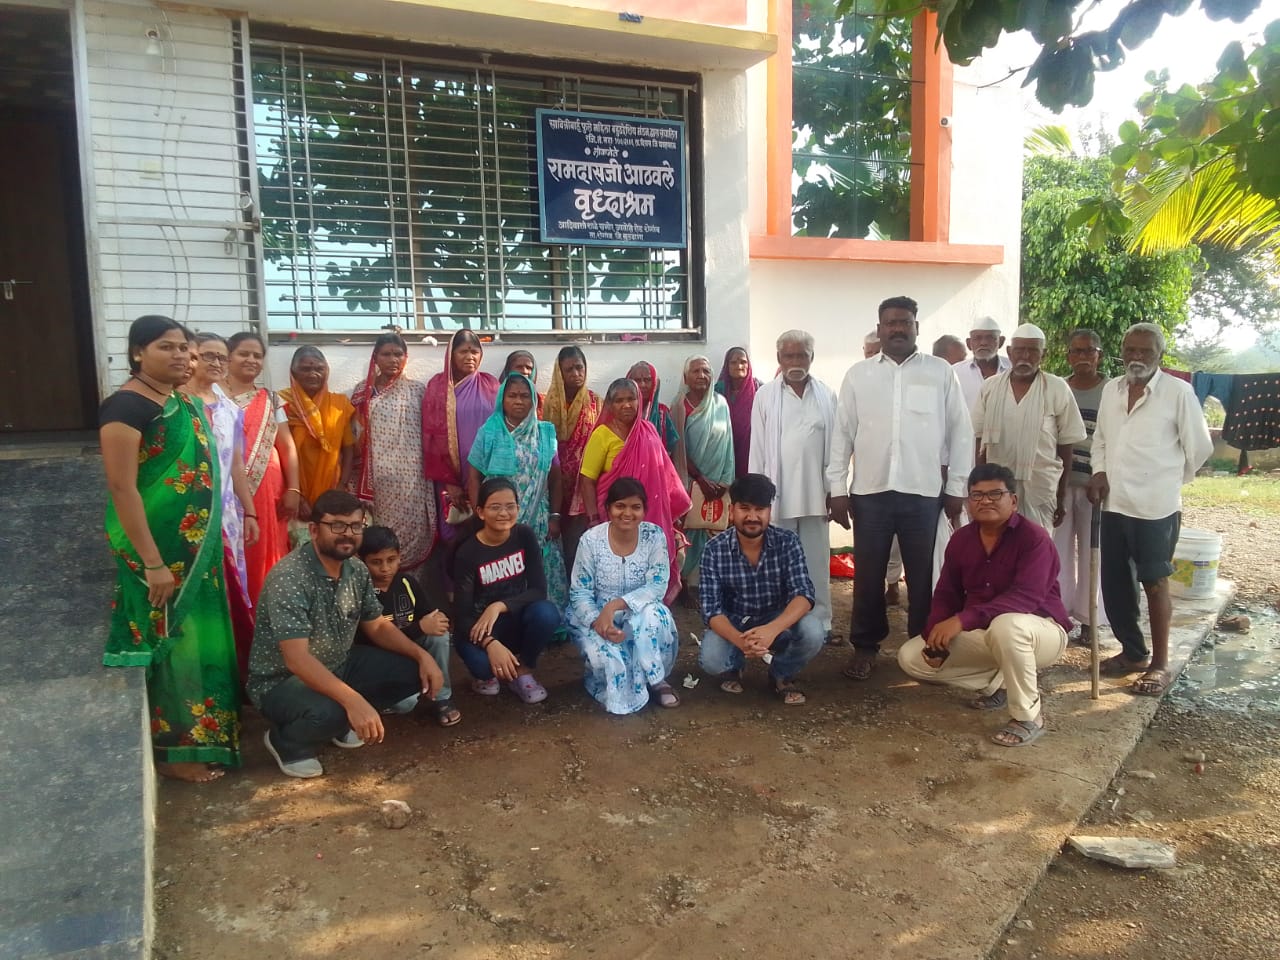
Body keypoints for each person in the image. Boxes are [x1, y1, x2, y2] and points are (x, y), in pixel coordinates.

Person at [100, 315, 242, 782]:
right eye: (167, 347)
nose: (181, 355)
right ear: (137, 352)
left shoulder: (184, 402)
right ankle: (175, 753)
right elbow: (122, 488)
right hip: (158, 554)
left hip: (197, 549)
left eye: (184, 347)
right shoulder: (126, 407)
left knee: (203, 642)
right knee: (172, 644)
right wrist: (153, 562)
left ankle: (208, 738)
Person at [247, 490, 445, 779]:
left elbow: (377, 625)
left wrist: (422, 655)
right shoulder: (289, 578)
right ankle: (287, 742)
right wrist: (353, 701)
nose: (348, 534)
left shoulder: (356, 569)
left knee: (416, 672)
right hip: (281, 681)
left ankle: (339, 723)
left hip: (339, 663)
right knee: (335, 709)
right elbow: (297, 660)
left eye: (355, 526)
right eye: (337, 525)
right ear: (314, 530)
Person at [828, 296, 974, 680]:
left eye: (904, 322)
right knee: (868, 575)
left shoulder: (940, 372)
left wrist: (957, 486)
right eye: (890, 323)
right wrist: (837, 487)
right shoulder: (858, 375)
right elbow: (842, 434)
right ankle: (865, 646)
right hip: (870, 492)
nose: (897, 328)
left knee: (924, 577)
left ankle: (923, 645)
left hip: (923, 492)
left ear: (916, 327)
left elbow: (961, 431)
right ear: (879, 329)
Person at [897, 464, 1071, 747]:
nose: (986, 501)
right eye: (977, 495)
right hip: (986, 632)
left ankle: (1028, 717)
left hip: (1040, 631)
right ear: (968, 502)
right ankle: (1000, 683)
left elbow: (1025, 598)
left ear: (1013, 500)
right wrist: (935, 636)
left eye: (995, 494)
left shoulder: (1035, 539)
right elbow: (946, 594)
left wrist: (962, 620)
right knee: (911, 657)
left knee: (1007, 624)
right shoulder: (961, 539)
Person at [1088, 323, 1213, 697]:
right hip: (1114, 503)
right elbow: (1101, 439)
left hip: (1156, 508)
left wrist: (1169, 481)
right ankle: (1133, 653)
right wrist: (1099, 471)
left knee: (1155, 582)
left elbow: (1199, 448)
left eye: (1145, 351)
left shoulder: (1178, 392)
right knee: (1115, 582)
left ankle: (1159, 665)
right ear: (1122, 351)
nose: (1137, 357)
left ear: (1160, 355)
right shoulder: (1112, 389)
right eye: (1130, 350)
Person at [698, 473, 824, 705]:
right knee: (712, 660)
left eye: (760, 509)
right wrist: (740, 640)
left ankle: (781, 673)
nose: (752, 517)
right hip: (734, 620)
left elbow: (804, 594)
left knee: (814, 631)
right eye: (745, 508)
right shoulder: (714, 549)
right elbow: (711, 610)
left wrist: (771, 630)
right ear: (732, 510)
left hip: (776, 619)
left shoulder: (787, 541)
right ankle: (735, 667)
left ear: (769, 512)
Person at [748, 330, 839, 641]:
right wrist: (757, 498)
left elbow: (837, 447)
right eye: (789, 356)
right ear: (779, 358)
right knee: (778, 562)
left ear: (812, 358)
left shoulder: (827, 395)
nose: (796, 361)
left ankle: (820, 623)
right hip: (779, 494)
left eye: (802, 355)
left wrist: (836, 489)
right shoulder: (765, 396)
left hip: (817, 493)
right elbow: (757, 448)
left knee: (817, 562)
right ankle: (781, 623)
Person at [181, 332, 260, 678]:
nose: (216, 363)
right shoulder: (175, 405)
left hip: (226, 518)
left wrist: (250, 511)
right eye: (207, 356)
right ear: (192, 358)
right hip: (185, 519)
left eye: (221, 357)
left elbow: (237, 465)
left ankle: (230, 671)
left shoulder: (229, 409)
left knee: (229, 592)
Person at [568, 477, 681, 714]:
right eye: (620, 506)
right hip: (598, 614)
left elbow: (657, 585)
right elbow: (580, 592)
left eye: (635, 507)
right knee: (606, 662)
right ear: (608, 508)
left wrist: (615, 606)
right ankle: (609, 680)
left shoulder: (654, 536)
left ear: (644, 510)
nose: (627, 513)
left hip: (639, 611)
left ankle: (657, 680)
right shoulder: (591, 540)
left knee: (653, 616)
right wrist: (598, 621)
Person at [579, 378, 691, 604]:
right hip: (614, 515)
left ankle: (648, 606)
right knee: (617, 567)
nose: (626, 405)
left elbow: (663, 474)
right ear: (610, 405)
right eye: (619, 400)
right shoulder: (602, 435)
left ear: (639, 401)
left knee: (649, 564)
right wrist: (593, 519)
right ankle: (614, 607)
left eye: (631, 399)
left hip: (649, 515)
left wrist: (669, 511)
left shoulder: (648, 431)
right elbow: (587, 480)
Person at [450, 478, 561, 702]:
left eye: (510, 506)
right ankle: (486, 676)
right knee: (484, 666)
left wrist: (498, 606)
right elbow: (461, 617)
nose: (503, 513)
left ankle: (523, 671)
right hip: (479, 629)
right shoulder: (468, 553)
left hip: (515, 619)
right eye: (495, 507)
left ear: (518, 509)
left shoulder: (524, 535)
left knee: (547, 613)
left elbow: (539, 590)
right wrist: (490, 643)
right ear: (480, 512)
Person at [467, 372, 569, 610]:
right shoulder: (488, 432)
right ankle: (500, 616)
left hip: (538, 519)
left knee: (539, 570)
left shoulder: (545, 432)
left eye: (525, 396)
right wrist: (481, 515)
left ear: (533, 400)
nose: (518, 401)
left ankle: (543, 618)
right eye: (512, 396)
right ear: (502, 399)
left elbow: (555, 479)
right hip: (498, 518)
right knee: (502, 569)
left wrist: (555, 516)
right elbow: (473, 477)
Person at [972, 322, 1087, 531]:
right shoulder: (990, 387)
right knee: (998, 545)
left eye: (1033, 350)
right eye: (1019, 350)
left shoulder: (1057, 388)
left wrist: (1061, 496)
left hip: (1040, 490)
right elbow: (980, 442)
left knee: (1037, 546)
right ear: (1009, 352)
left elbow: (1066, 445)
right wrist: (979, 490)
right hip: (997, 490)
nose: (1025, 356)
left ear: (1044, 354)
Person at [225, 332, 302, 604]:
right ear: (228, 357)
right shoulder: (212, 397)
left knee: (267, 552)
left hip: (269, 490)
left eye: (257, 356)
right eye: (243, 353)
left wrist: (294, 488)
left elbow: (287, 445)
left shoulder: (270, 399)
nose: (251, 360)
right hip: (226, 489)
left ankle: (267, 614)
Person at [357, 525, 460, 727]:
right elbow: (369, 640)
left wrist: (437, 620)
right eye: (376, 562)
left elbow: (429, 616)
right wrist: (419, 628)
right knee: (406, 704)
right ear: (362, 561)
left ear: (399, 557)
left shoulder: (406, 582)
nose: (385, 568)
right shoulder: (361, 591)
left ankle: (442, 697)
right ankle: (381, 698)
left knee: (439, 635)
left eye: (391, 560)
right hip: (382, 656)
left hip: (412, 649)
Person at [351, 333, 436, 571]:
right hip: (378, 485)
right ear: (375, 358)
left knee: (411, 539)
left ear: (406, 357)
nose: (393, 359)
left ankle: (410, 591)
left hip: (411, 485)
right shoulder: (363, 392)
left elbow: (430, 435)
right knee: (380, 539)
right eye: (386, 354)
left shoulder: (417, 391)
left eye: (398, 354)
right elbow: (355, 437)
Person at [1054, 329, 1108, 639]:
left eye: (1090, 351)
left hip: (1094, 486)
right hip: (1060, 482)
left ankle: (1090, 619)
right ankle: (1058, 615)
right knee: (1058, 552)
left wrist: (1103, 474)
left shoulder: (1111, 391)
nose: (1083, 357)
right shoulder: (1059, 388)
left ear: (1099, 355)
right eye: (1077, 351)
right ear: (1068, 356)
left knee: (1092, 552)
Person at [421, 328, 499, 540]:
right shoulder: (438, 387)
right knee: (453, 534)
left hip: (486, 473)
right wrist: (449, 482)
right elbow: (431, 436)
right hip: (450, 475)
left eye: (474, 351)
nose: (470, 357)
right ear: (451, 355)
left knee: (487, 529)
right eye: (463, 351)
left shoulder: (491, 385)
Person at [672, 355, 736, 592]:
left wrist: (725, 482)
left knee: (713, 529)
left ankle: (708, 584)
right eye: (696, 371)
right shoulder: (679, 406)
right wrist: (700, 479)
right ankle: (687, 584)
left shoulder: (721, 404)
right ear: (686, 377)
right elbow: (677, 449)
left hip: (717, 482)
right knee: (690, 530)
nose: (701, 375)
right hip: (690, 481)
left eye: (706, 371)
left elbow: (728, 444)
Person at [543, 345, 602, 574]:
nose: (576, 374)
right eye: (569, 369)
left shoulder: (596, 403)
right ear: (560, 372)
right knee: (555, 541)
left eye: (580, 368)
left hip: (584, 485)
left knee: (579, 543)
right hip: (553, 483)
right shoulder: (548, 404)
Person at [279, 345, 357, 508]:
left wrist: (341, 486)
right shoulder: (281, 403)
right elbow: (278, 453)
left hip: (331, 489)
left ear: (327, 371)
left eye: (319, 369)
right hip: (292, 491)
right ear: (293, 372)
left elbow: (348, 449)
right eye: (305, 369)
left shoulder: (339, 404)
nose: (313, 374)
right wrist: (295, 493)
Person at [714, 346, 761, 480]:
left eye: (743, 362)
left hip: (751, 450)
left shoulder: (759, 389)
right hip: (725, 450)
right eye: (733, 362)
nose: (739, 366)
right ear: (727, 366)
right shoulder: (718, 391)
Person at [953, 316, 1011, 413]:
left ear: (1001, 342)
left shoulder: (1013, 370)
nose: (983, 343)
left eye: (990, 338)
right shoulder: (955, 373)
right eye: (977, 338)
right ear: (969, 343)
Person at [627, 361, 680, 458]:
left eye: (647, 380)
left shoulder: (662, 413)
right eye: (637, 380)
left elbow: (670, 448)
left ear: (655, 383)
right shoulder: (621, 412)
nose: (642, 385)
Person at [500, 348, 545, 417]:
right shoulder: (497, 397)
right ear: (509, 369)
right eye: (519, 367)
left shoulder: (540, 401)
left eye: (529, 368)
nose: (524, 371)